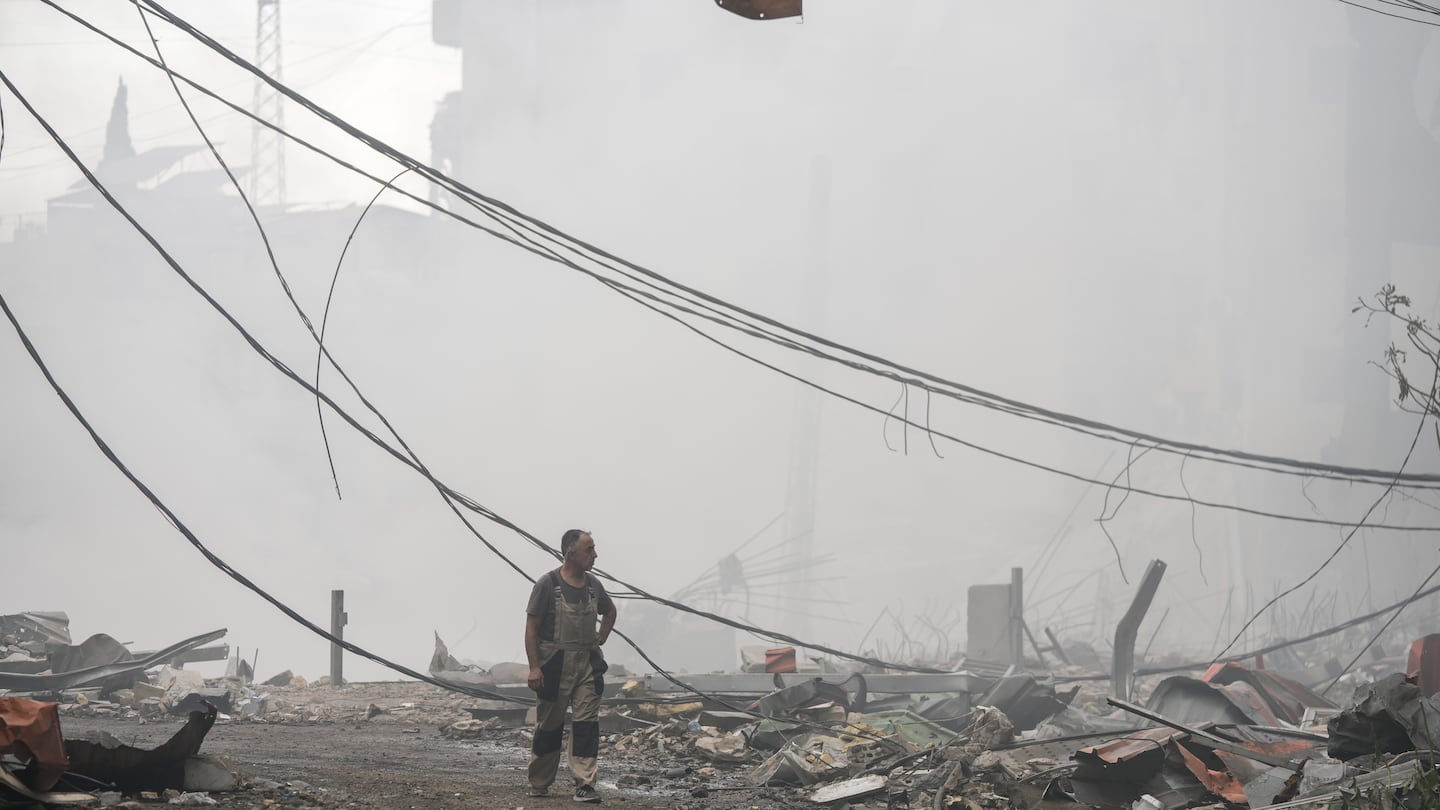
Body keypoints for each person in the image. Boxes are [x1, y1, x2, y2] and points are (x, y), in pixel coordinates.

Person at [525, 529, 616, 803]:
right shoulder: (547, 584)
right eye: (589, 549)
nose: (595, 554)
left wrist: (603, 635)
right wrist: (534, 668)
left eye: (594, 548)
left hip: (587, 664)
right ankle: (540, 782)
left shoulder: (593, 586)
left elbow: (609, 611)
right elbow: (531, 629)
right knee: (550, 725)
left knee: (586, 725)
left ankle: (585, 784)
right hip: (554, 666)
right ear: (571, 553)